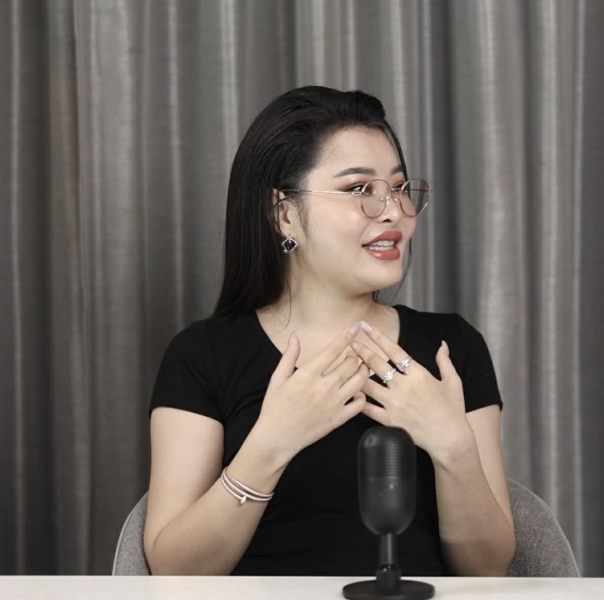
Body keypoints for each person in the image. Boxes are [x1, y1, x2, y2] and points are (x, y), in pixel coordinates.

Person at [144, 86, 515, 576]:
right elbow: (174, 570)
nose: (393, 211)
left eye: (398, 188)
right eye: (359, 189)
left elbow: (487, 570)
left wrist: (454, 447)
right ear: (284, 213)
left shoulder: (453, 348)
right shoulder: (203, 355)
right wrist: (272, 442)